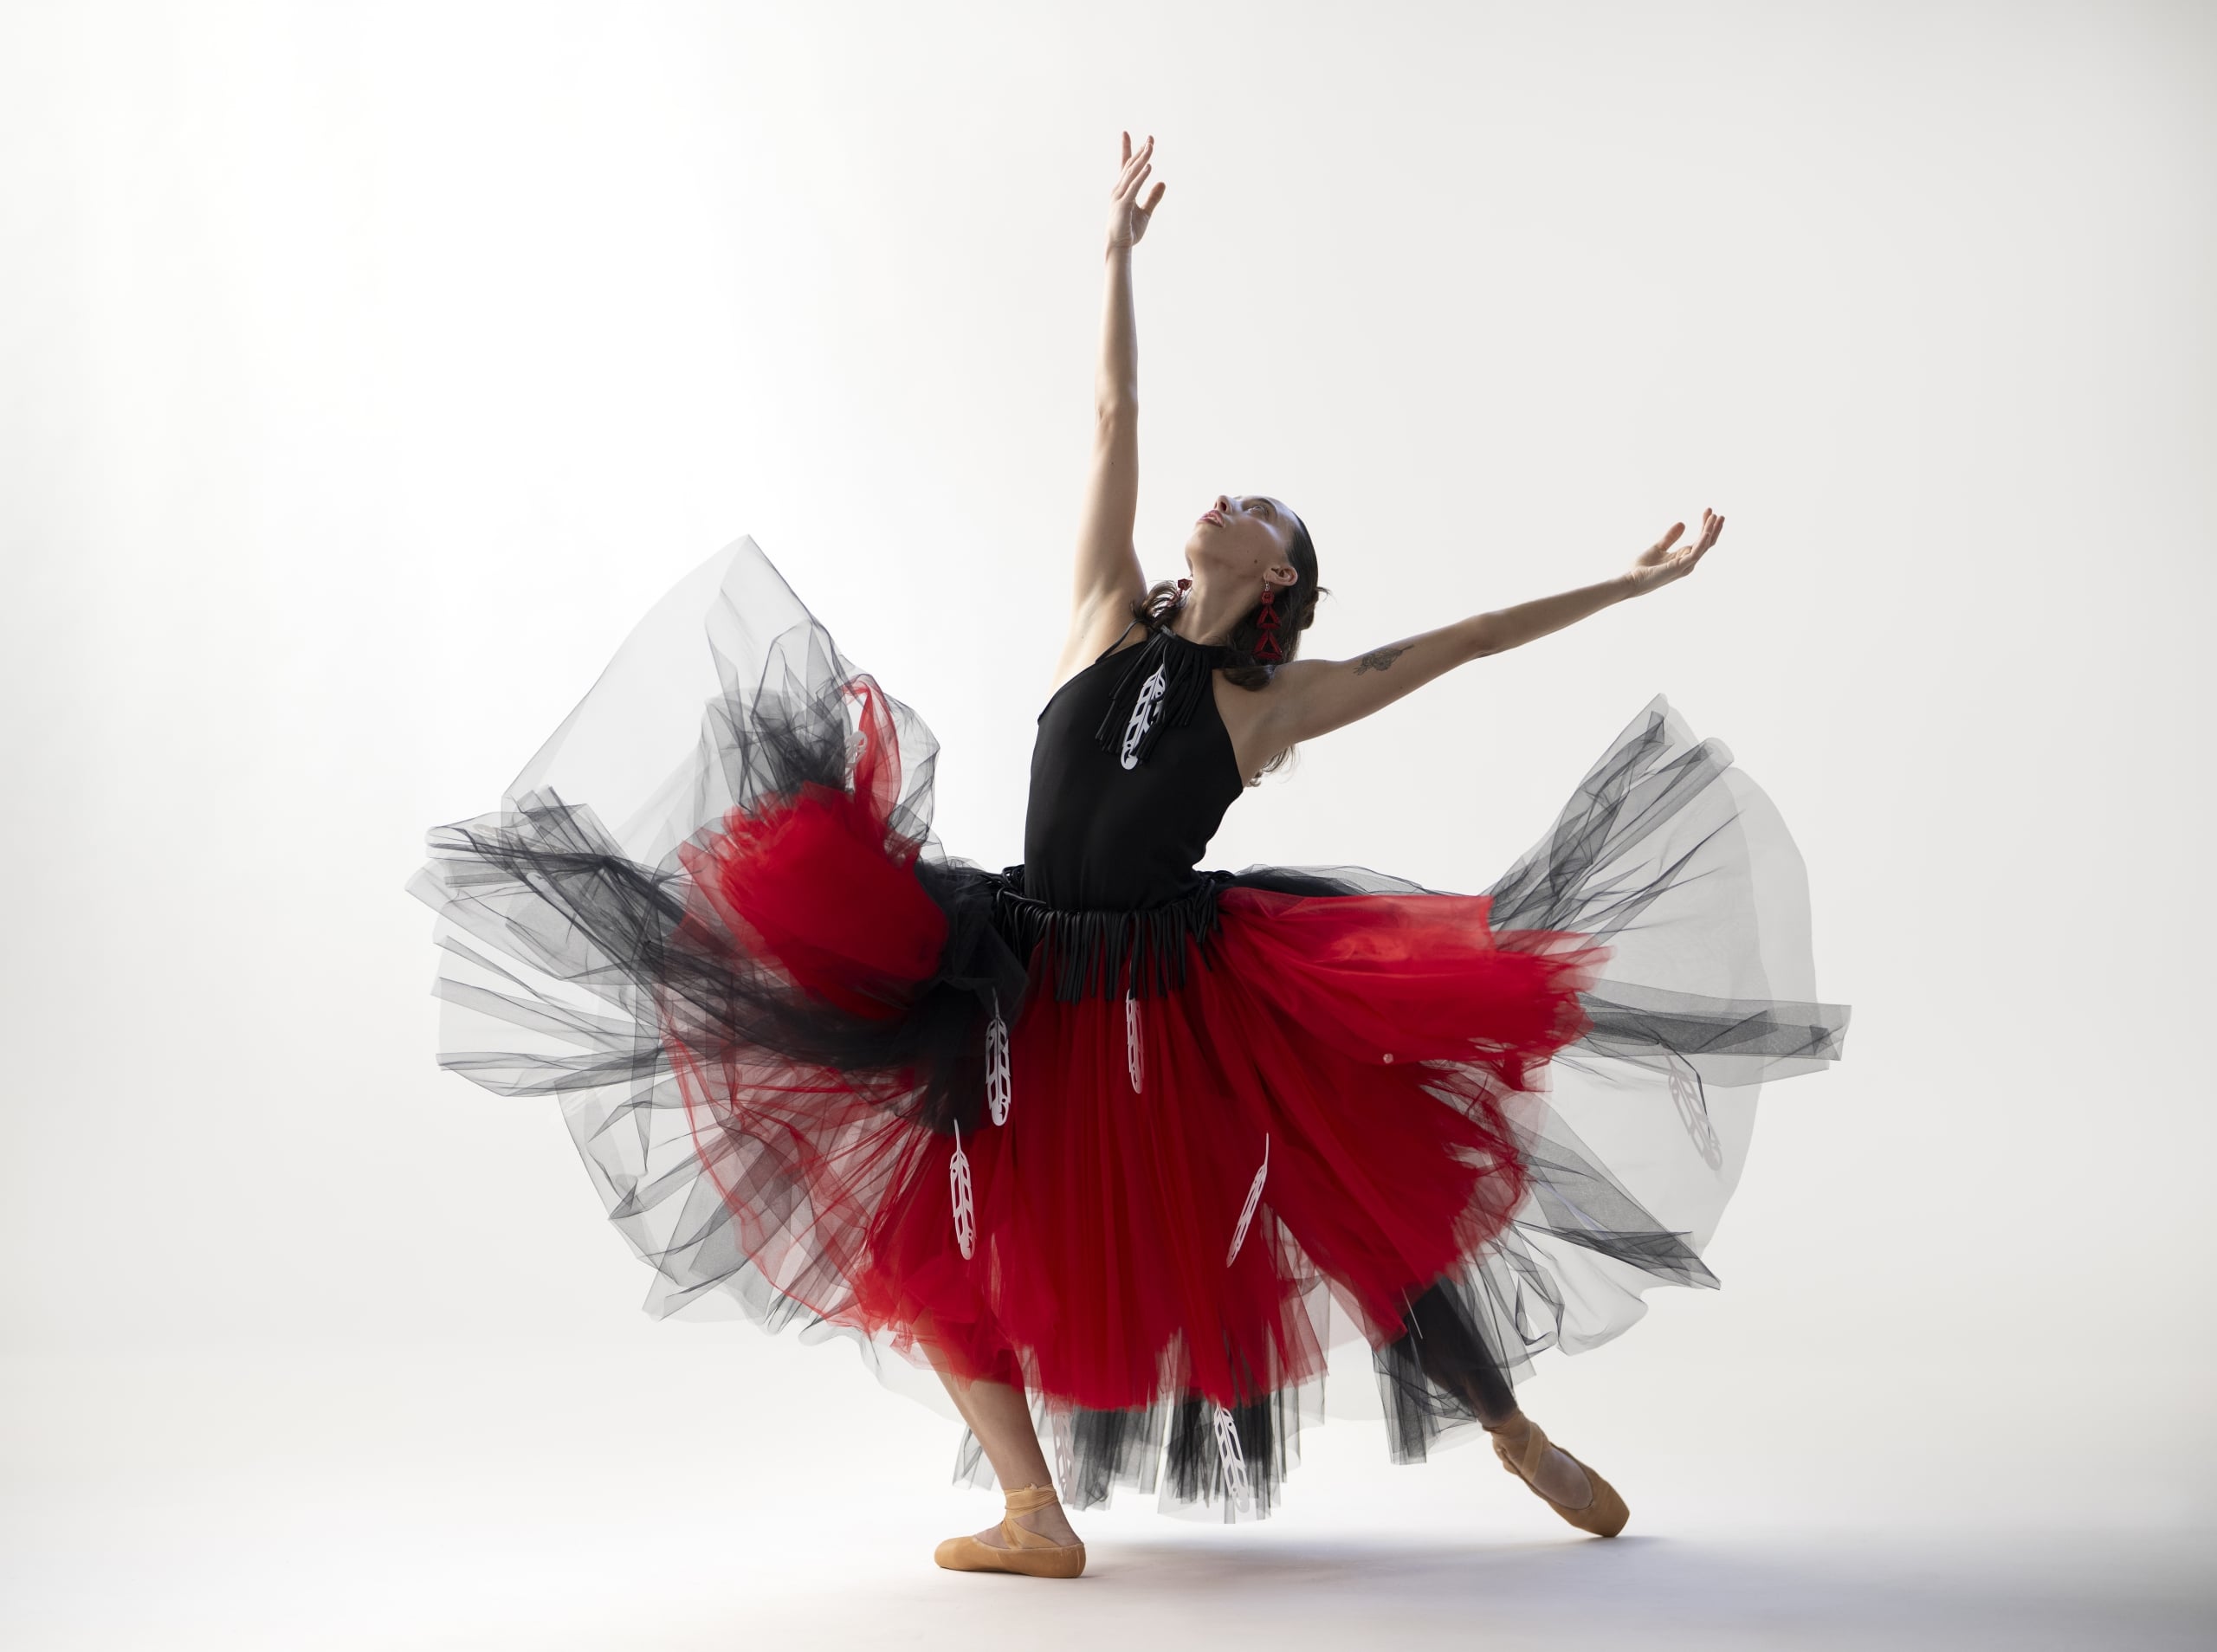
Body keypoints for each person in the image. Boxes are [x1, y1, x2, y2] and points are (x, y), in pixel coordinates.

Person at [407, 132, 1849, 1581]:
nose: (1229, 499)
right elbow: (1112, 417)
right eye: (1229, 495)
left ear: (1279, 575)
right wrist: (1114, 260)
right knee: (928, 1227)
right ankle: (1038, 1513)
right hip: (1014, 964)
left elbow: (1462, 644)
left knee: (1344, 1192)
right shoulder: (1104, 611)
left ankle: (1512, 1427)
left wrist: (1634, 579)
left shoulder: (1276, 701)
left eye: (1264, 510)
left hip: (1185, 987)